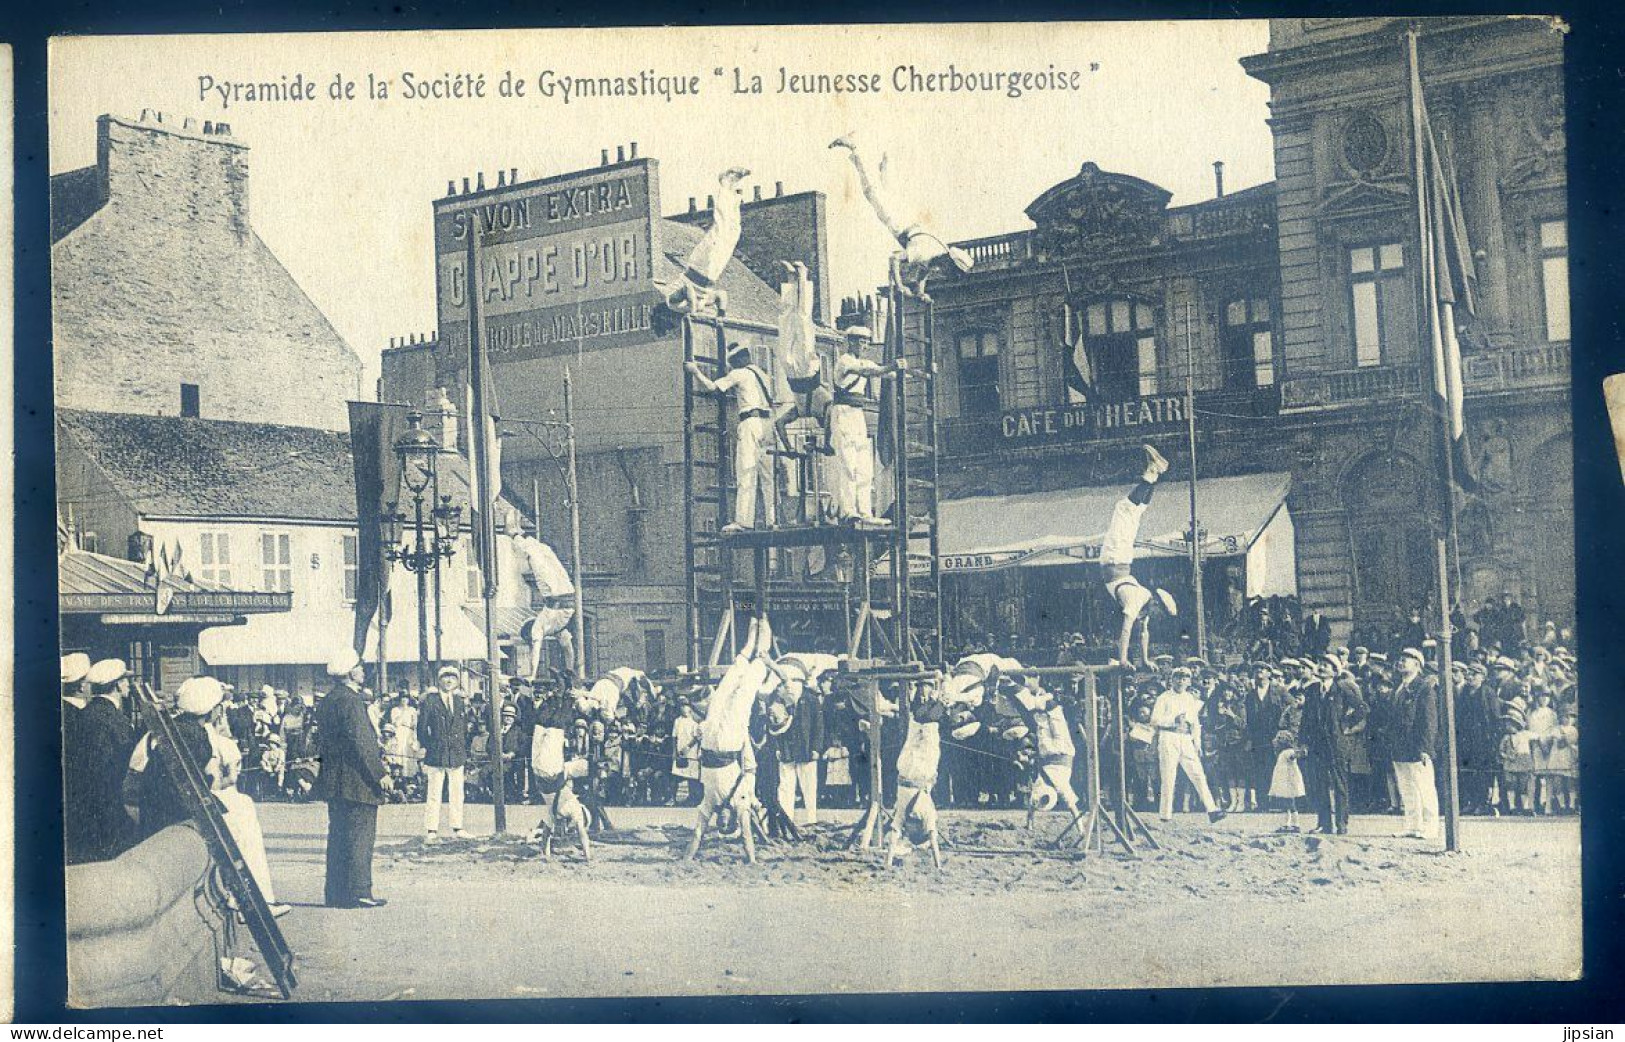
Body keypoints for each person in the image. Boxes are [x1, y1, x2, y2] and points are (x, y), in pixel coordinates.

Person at [180, 676, 291, 918]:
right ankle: (253, 898)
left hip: (173, 802)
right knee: (243, 810)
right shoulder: (201, 737)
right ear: (212, 709)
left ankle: (243, 895)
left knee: (241, 805)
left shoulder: (176, 728)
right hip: (185, 808)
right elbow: (214, 782)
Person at [830, 132, 973, 300]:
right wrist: (900, 285)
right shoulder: (928, 253)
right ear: (949, 263)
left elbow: (923, 273)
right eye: (950, 271)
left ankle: (885, 162)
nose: (945, 274)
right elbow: (895, 258)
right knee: (871, 191)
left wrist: (920, 292)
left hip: (908, 220)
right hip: (899, 223)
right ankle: (854, 147)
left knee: (887, 192)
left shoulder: (938, 254)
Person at [686, 615, 781, 863]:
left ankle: (750, 642)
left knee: (725, 687)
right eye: (727, 825)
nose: (722, 822)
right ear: (733, 823)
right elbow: (748, 835)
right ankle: (762, 645)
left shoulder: (708, 807)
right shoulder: (741, 803)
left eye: (721, 825)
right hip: (729, 740)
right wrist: (752, 859)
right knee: (746, 688)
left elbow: (697, 834)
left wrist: (687, 859)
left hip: (709, 739)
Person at [314, 648, 389, 908]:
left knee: (338, 836)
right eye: (359, 666)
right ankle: (359, 891)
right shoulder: (352, 701)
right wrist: (380, 774)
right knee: (360, 836)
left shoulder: (329, 700)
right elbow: (362, 742)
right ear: (348, 672)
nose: (363, 670)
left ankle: (335, 893)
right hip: (357, 780)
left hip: (335, 779)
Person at [687, 343, 777, 533]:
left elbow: (714, 387)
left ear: (739, 359)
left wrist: (695, 371)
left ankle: (743, 521)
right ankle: (772, 520)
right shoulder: (764, 376)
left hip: (750, 423)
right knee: (768, 476)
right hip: (768, 424)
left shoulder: (740, 373)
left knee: (746, 472)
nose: (732, 367)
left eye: (733, 362)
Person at [1101, 445, 1178, 666]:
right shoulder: (1138, 600)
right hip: (1115, 559)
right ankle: (1152, 473)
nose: (1156, 617)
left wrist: (1145, 660)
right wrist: (1123, 659)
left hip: (1120, 560)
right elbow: (1125, 630)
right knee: (1124, 509)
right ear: (1156, 603)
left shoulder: (1144, 606)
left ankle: (1155, 474)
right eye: (1159, 612)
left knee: (1134, 512)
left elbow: (1143, 634)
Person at [826, 325, 905, 526]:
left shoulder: (864, 361)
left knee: (863, 465)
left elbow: (885, 373)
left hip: (857, 414)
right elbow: (870, 370)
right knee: (848, 462)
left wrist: (903, 370)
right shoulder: (845, 361)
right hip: (843, 413)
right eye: (860, 342)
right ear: (850, 342)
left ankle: (864, 510)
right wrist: (891, 367)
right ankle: (847, 510)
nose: (864, 346)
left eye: (866, 342)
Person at [67, 658, 137, 864]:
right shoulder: (114, 719)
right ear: (116, 684)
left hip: (84, 803)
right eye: (126, 681)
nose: (128, 685)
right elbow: (118, 764)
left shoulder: (84, 714)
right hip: (108, 804)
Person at [663, 167, 751, 315]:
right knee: (734, 233)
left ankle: (724, 183)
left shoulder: (671, 302)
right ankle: (733, 191)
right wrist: (721, 317)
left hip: (699, 266)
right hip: (711, 274)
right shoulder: (704, 302)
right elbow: (722, 295)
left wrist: (694, 315)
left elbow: (687, 289)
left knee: (721, 228)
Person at [1150, 667, 1225, 824]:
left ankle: (1212, 810)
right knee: (1169, 776)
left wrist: (1197, 743)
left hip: (1186, 739)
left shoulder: (1189, 698)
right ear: (1172, 679)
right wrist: (1172, 721)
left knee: (1198, 774)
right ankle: (1165, 814)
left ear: (1189, 681)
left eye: (1185, 678)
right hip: (1168, 737)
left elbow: (1195, 723)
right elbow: (1155, 720)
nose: (1181, 681)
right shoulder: (1163, 697)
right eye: (1178, 677)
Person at [886, 684, 947, 869]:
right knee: (920, 727)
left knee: (923, 727)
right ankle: (934, 696)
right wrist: (938, 865)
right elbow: (931, 839)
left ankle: (936, 697)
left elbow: (894, 838)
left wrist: (888, 863)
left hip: (915, 772)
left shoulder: (917, 814)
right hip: (911, 771)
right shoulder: (913, 814)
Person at [1389, 648, 1441, 840]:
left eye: (1406, 660)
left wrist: (1426, 748)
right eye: (1400, 659)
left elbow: (1429, 720)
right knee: (1407, 788)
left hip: (1417, 746)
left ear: (1417, 665)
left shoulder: (1423, 687)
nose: (1401, 663)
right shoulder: (1400, 687)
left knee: (1424, 787)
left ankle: (1430, 827)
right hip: (1400, 747)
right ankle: (1412, 825)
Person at [418, 664, 470, 842]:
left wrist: (463, 748)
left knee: (457, 792)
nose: (449, 681)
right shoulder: (430, 701)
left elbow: (463, 728)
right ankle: (431, 830)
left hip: (456, 753)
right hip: (437, 753)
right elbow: (422, 728)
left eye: (453, 677)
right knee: (434, 792)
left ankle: (458, 827)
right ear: (439, 681)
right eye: (445, 677)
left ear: (457, 681)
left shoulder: (459, 701)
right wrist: (430, 745)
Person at [774, 660, 824, 826]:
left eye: (793, 682)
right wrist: (778, 748)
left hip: (806, 748)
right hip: (787, 749)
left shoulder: (811, 700)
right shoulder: (780, 702)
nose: (788, 686)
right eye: (785, 683)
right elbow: (775, 726)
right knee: (786, 785)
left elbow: (819, 725)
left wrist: (816, 748)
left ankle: (811, 819)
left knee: (809, 786)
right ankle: (786, 819)